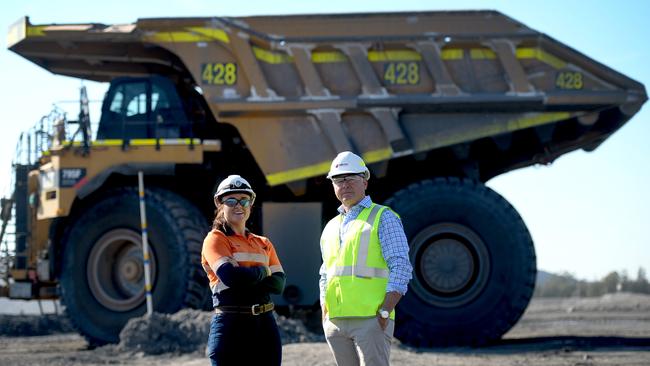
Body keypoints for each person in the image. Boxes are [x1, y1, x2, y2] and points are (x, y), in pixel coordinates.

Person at [319, 151, 413, 366]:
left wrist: (385, 310)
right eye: (339, 180)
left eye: (351, 178)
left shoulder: (383, 217)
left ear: (365, 180)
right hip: (336, 322)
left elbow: (401, 265)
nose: (345, 184)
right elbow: (325, 272)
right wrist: (325, 308)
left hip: (371, 319)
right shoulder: (331, 226)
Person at [201, 175, 286, 366]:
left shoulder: (263, 243)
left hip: (265, 326)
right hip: (231, 326)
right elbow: (231, 277)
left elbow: (279, 284)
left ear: (251, 204)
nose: (239, 205)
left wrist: (246, 276)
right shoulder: (215, 239)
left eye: (244, 200)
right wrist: (263, 271)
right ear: (220, 204)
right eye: (231, 200)